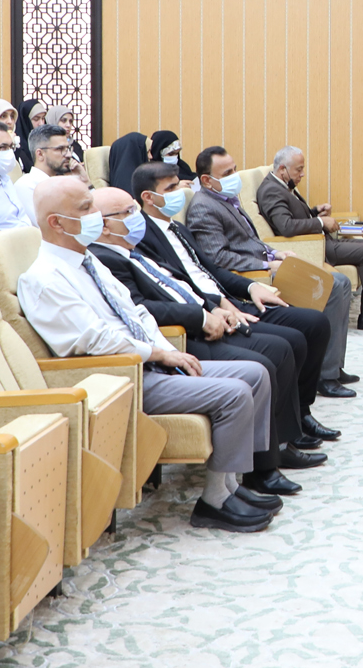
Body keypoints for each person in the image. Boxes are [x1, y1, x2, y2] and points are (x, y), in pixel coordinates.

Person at [15, 174, 279, 532]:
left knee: (256, 374)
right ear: (57, 223)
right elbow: (96, 340)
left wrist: (169, 351)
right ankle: (214, 501)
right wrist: (159, 355)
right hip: (120, 377)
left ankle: (231, 484)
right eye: (86, 208)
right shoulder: (44, 278)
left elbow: (136, 312)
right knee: (233, 393)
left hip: (150, 361)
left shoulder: (88, 260)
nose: (96, 216)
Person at [88, 186, 328, 490]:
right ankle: (262, 467)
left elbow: (188, 281)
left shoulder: (136, 249)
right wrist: (203, 316)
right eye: (129, 212)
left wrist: (215, 307)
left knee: (292, 339)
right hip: (181, 337)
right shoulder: (106, 258)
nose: (138, 218)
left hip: (208, 313)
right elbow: (144, 309)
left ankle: (281, 443)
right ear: (105, 225)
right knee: (272, 356)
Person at [130, 161, 342, 436]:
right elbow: (178, 287)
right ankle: (287, 432)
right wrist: (218, 306)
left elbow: (212, 270)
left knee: (315, 324)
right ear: (148, 197)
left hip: (229, 298)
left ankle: (302, 412)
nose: (179, 193)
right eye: (170, 189)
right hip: (210, 312)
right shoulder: (143, 237)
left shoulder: (178, 228)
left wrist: (251, 287)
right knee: (288, 343)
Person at [186, 145, 359, 396]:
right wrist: (267, 264)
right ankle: (325, 375)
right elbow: (218, 258)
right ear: (206, 180)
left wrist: (276, 253)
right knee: (334, 284)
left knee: (341, 283)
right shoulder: (203, 207)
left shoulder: (227, 199)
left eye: (235, 169)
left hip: (268, 263)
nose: (235, 176)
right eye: (227, 173)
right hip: (254, 275)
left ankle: (333, 366)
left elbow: (251, 241)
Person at [260, 145, 363, 335]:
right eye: (299, 170)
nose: (302, 174)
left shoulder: (282, 185)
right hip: (315, 247)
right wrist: (321, 222)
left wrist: (315, 211)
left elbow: (293, 216)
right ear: (282, 169)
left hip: (321, 241)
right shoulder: (271, 190)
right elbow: (286, 226)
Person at [14, 123, 80, 222]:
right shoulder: (26, 185)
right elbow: (47, 227)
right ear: (40, 154)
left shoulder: (62, 183)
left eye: (68, 149)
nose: (69, 155)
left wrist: (85, 182)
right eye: (60, 149)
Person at [12, 98, 49, 172]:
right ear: (25, 121)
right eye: (36, 119)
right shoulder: (17, 148)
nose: (41, 123)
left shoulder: (47, 144)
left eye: (43, 118)